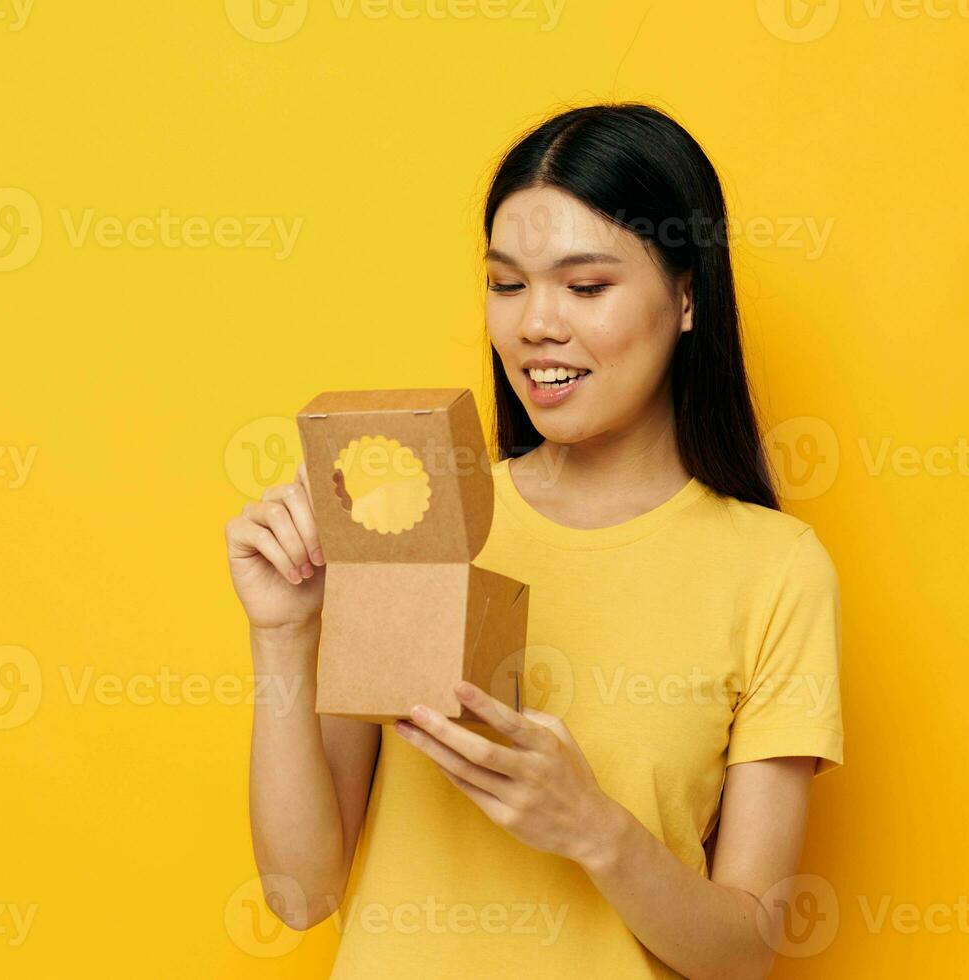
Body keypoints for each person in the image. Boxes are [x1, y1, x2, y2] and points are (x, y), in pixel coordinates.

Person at [224, 102, 844, 978]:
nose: (534, 326)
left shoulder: (776, 569)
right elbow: (300, 892)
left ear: (689, 293)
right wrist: (284, 633)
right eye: (507, 284)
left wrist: (592, 827)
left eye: (585, 287)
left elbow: (743, 955)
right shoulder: (417, 513)